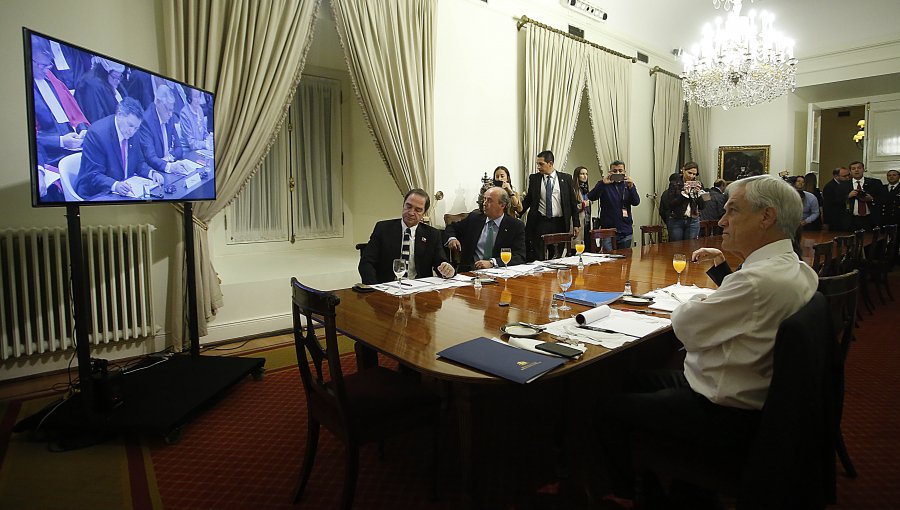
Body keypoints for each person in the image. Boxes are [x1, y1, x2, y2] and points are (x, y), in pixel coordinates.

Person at [598, 174, 818, 508]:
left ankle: (644, 495)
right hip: (757, 398)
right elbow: (745, 308)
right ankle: (682, 488)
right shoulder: (796, 268)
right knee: (634, 378)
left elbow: (686, 325)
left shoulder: (756, 280)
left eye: (732, 210)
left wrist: (697, 302)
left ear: (766, 217)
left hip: (725, 413)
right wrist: (723, 272)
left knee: (605, 406)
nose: (723, 220)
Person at [358, 188, 455, 284]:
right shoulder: (383, 229)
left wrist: (447, 270)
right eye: (408, 206)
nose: (411, 213)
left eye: (418, 210)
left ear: (424, 213)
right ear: (403, 205)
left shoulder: (432, 234)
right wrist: (375, 289)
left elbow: (441, 263)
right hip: (388, 288)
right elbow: (366, 263)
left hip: (419, 290)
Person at [75, 97, 164, 198]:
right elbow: (93, 175)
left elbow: (138, 162)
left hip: (124, 190)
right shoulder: (97, 134)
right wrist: (115, 185)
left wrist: (152, 173)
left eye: (136, 128)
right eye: (130, 125)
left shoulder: (133, 132)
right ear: (120, 115)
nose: (132, 131)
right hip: (96, 194)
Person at [30, 35, 90, 166]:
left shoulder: (50, 77)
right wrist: (61, 141)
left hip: (73, 146)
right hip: (50, 156)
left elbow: (74, 112)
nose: (46, 70)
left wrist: (82, 129)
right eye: (42, 65)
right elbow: (28, 136)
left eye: (49, 65)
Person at [445, 187, 526, 272]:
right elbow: (451, 227)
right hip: (470, 272)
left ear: (502, 205)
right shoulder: (474, 219)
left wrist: (492, 263)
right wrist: (452, 239)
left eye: (489, 200)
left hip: (499, 272)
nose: (484, 203)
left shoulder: (515, 226)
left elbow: (520, 256)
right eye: (484, 199)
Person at [521, 150, 580, 260]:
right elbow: (529, 199)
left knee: (557, 256)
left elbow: (572, 202)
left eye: (541, 164)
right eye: (537, 164)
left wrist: (576, 224)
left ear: (550, 163)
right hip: (541, 221)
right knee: (539, 256)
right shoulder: (534, 179)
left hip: (560, 222)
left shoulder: (566, 178)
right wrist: (518, 211)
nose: (538, 167)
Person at [585, 160, 640, 251]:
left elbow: (636, 202)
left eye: (620, 171)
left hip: (625, 229)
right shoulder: (604, 184)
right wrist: (602, 184)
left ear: (624, 172)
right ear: (610, 172)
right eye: (615, 171)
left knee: (625, 260)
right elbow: (591, 197)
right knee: (609, 260)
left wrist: (631, 187)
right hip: (608, 231)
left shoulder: (628, 184)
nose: (618, 173)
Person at [138, 85, 189, 176]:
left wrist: (169, 158)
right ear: (157, 102)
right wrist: (169, 167)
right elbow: (150, 157)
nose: (170, 114)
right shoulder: (146, 121)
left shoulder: (170, 117)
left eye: (171, 110)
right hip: (155, 172)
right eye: (167, 110)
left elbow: (179, 148)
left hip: (168, 167)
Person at [659, 162, 705, 241]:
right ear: (683, 170)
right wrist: (684, 194)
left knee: (691, 247)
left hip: (693, 220)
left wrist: (699, 194)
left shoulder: (698, 184)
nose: (691, 176)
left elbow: (702, 206)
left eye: (694, 174)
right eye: (689, 173)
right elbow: (671, 204)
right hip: (676, 220)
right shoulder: (674, 184)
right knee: (676, 247)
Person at [75, 57, 128, 123]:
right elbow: (96, 119)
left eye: (120, 77)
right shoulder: (90, 86)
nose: (117, 81)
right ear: (105, 71)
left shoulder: (113, 81)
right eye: (115, 77)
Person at [847, 160, 883, 231]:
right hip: (851, 220)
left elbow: (883, 199)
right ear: (850, 172)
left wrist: (872, 199)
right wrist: (848, 196)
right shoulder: (843, 185)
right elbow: (836, 201)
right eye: (853, 169)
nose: (856, 170)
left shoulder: (875, 183)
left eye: (859, 168)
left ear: (863, 169)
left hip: (870, 219)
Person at [822, 166, 851, 231]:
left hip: (846, 218)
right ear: (836, 176)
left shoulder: (847, 184)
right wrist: (826, 222)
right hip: (835, 219)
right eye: (844, 176)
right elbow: (827, 206)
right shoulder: (829, 187)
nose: (847, 178)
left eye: (848, 175)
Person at [573, 166, 593, 246]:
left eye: (586, 174)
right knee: (577, 245)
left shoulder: (586, 189)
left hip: (587, 221)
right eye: (582, 174)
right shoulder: (574, 190)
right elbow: (572, 207)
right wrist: (583, 204)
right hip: (578, 221)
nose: (585, 176)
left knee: (588, 245)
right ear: (577, 176)